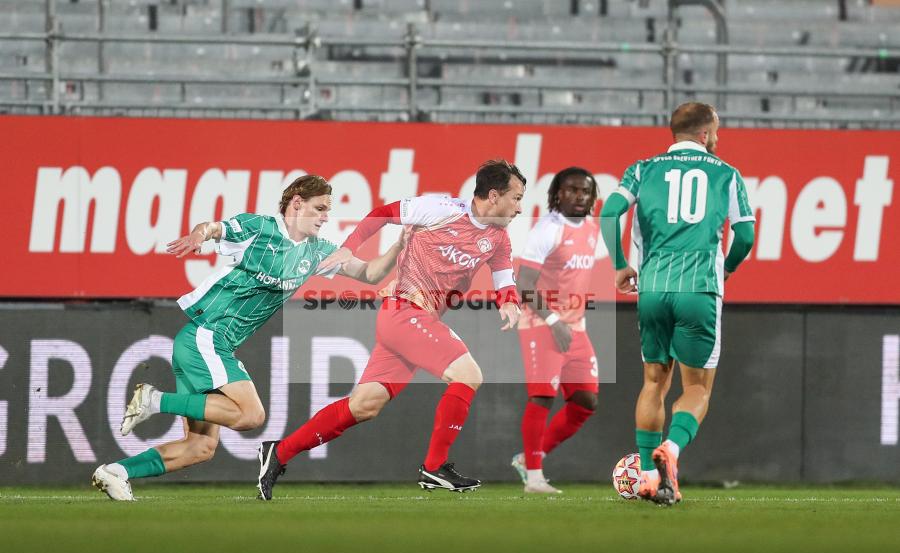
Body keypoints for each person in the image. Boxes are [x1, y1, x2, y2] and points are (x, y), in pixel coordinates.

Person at [91, 175, 406, 501]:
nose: (326, 216)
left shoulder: (316, 251)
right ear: (297, 203)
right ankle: (154, 401)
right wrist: (199, 234)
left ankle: (117, 472)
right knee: (251, 415)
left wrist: (399, 246)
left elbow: (369, 274)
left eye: (328, 209)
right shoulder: (259, 228)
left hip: (209, 344)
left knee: (200, 448)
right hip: (206, 336)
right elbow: (213, 228)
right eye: (320, 207)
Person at [255, 159, 524, 500]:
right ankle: (435, 467)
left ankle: (278, 454)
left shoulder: (498, 238)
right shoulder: (439, 208)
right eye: (516, 198)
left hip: (414, 321)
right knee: (468, 374)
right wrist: (349, 247)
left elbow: (503, 277)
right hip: (405, 313)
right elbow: (382, 212)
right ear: (493, 195)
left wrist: (509, 301)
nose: (519, 208)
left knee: (364, 405)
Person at [599, 102, 755, 505]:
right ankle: (671, 450)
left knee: (654, 381)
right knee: (697, 387)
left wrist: (620, 266)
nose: (718, 138)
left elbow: (609, 212)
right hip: (699, 288)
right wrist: (727, 270)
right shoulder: (727, 174)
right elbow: (746, 235)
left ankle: (650, 478)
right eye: (716, 131)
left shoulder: (642, 169)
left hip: (652, 287)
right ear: (705, 133)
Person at [510, 167, 600, 494]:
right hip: (541, 323)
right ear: (557, 194)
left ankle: (529, 458)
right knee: (542, 396)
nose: (579, 196)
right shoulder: (546, 229)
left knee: (585, 401)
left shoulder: (591, 228)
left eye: (585, 191)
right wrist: (553, 321)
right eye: (572, 190)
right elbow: (524, 284)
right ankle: (535, 478)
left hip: (574, 326)